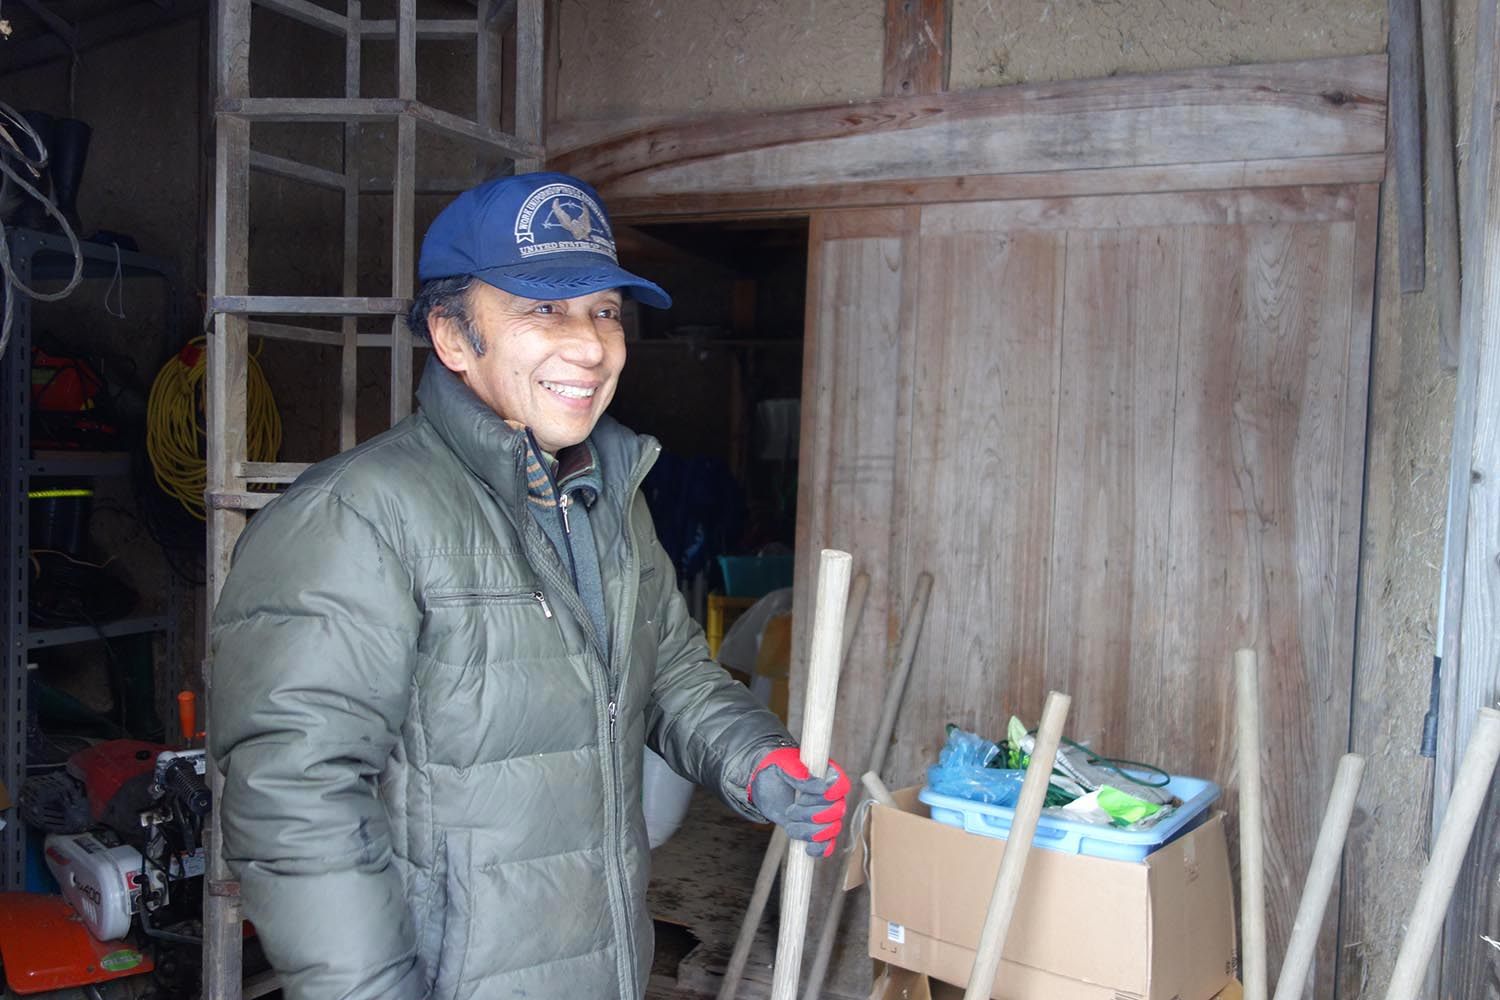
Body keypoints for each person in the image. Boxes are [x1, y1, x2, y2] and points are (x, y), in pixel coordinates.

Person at [208, 171, 850, 1000]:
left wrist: (757, 761)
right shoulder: (359, 517)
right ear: (451, 336)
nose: (589, 345)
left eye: (605, 311)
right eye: (542, 309)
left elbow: (672, 675)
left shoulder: (608, 498)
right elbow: (297, 797)